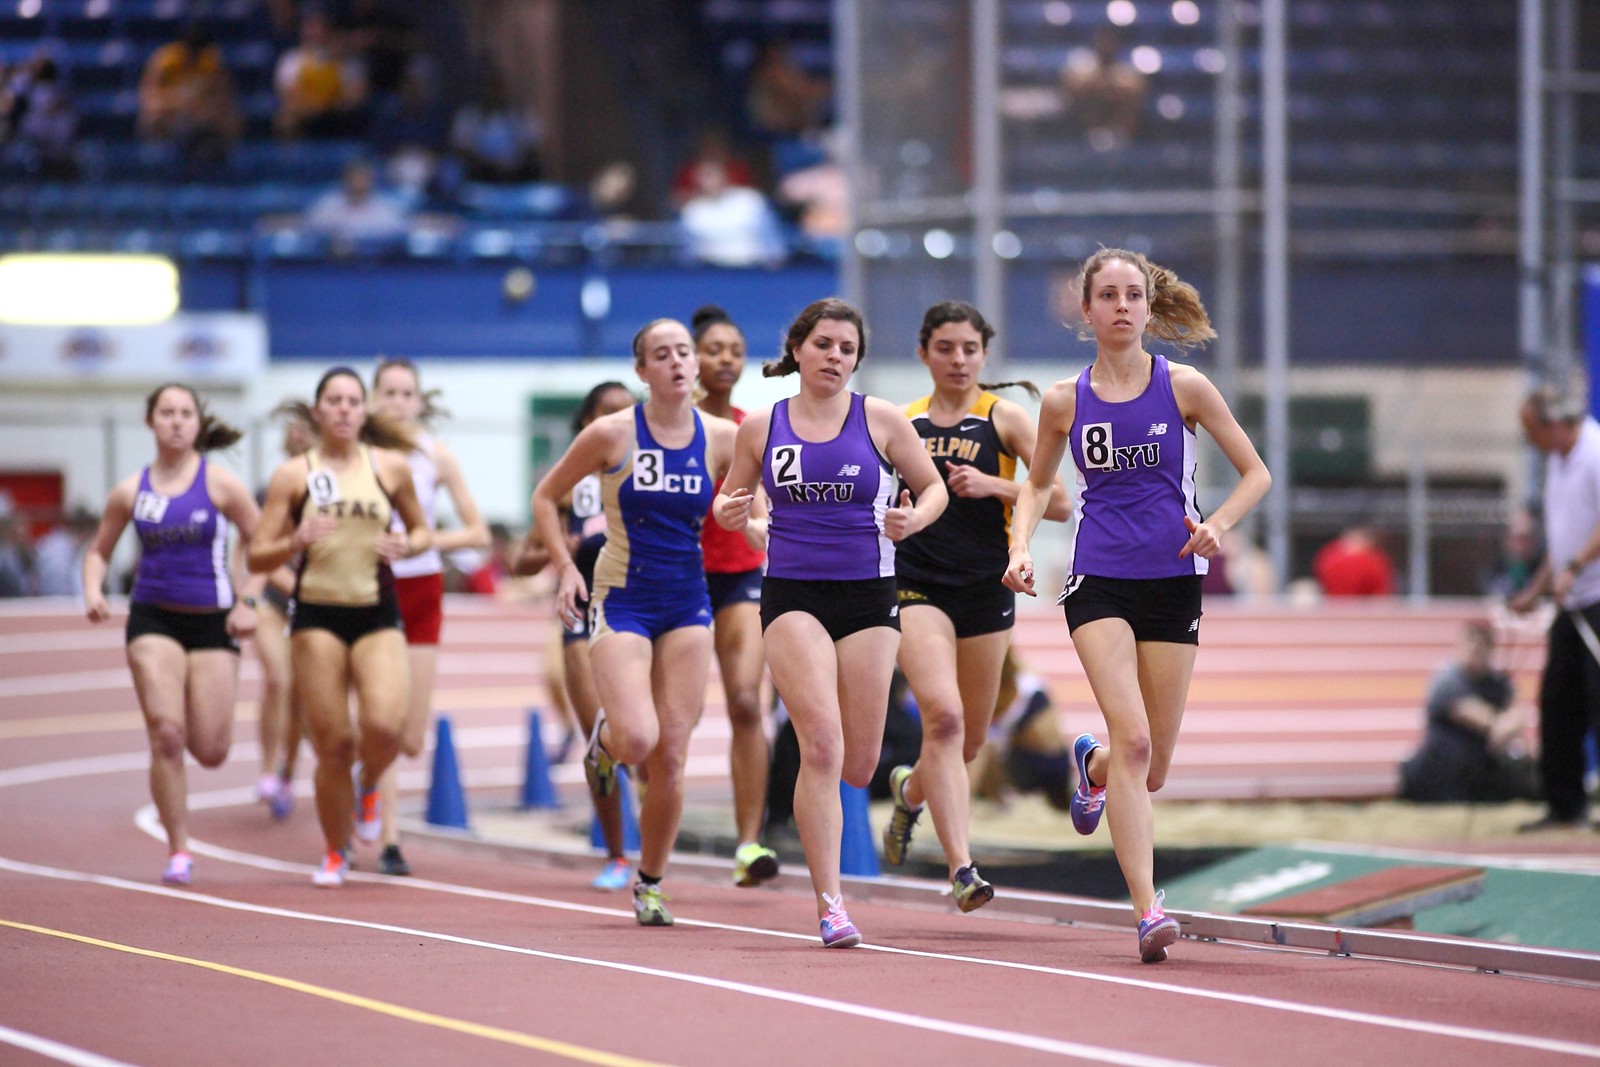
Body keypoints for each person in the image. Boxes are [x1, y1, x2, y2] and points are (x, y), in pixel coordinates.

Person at [1004, 248, 1271, 963]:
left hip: (1173, 579)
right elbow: (1035, 484)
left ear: (1149, 309)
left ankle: (1089, 768)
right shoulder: (1064, 399)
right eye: (1108, 296)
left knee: (1149, 768)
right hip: (1099, 579)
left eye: (1133, 295)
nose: (1122, 306)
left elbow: (1256, 473)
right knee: (1137, 740)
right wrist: (1020, 545)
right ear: (1087, 310)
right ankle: (1149, 909)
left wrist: (1218, 525)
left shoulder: (1184, 387)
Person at [714, 297, 947, 948]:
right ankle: (830, 902)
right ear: (797, 349)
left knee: (860, 760)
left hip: (870, 597)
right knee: (821, 742)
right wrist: (734, 513)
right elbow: (731, 494)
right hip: (792, 594)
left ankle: (895, 795)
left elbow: (934, 490)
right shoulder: (762, 427)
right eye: (823, 344)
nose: (834, 357)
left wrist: (913, 519)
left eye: (846, 348)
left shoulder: (882, 420)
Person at [532, 322, 738, 925]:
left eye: (683, 352)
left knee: (670, 756)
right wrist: (565, 567)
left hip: (688, 602)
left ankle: (649, 880)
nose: (676, 362)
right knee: (638, 740)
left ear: (695, 366)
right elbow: (546, 497)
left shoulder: (723, 437)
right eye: (661, 355)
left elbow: (753, 505)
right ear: (642, 370)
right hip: (623, 598)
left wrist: (740, 516)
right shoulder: (612, 434)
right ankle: (603, 744)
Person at [880, 301, 1070, 912]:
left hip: (987, 589)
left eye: (969, 349)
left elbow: (1059, 501)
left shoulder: (1004, 417)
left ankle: (911, 792)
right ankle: (963, 868)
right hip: (916, 587)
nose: (958, 359)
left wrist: (995, 485)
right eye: (945, 348)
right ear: (923, 353)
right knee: (943, 718)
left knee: (966, 743)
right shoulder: (900, 421)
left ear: (984, 355)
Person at [249, 367, 430, 887]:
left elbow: (419, 529)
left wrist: (408, 544)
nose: (346, 409)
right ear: (319, 411)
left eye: (354, 401)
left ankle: (369, 783)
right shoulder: (293, 474)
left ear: (364, 411)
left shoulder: (389, 467)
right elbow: (259, 555)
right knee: (332, 743)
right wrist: (295, 540)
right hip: (316, 614)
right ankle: (335, 849)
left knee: (384, 726)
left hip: (376, 610)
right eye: (335, 400)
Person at [81, 384, 266, 885]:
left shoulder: (222, 485)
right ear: (151, 422)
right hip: (153, 618)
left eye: (186, 414)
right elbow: (99, 549)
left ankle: (181, 829)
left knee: (210, 749)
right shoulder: (130, 491)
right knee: (166, 732)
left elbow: (263, 541)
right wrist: (94, 589)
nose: (177, 422)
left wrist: (249, 600)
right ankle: (179, 849)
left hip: (213, 621)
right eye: (168, 413)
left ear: (198, 424)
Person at [369, 358, 490, 876]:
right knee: (388, 719)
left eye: (406, 393)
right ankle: (390, 840)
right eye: (388, 392)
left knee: (412, 736)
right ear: (373, 398)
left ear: (419, 401)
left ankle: (365, 773)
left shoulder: (435, 458)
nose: (397, 402)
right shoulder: (358, 456)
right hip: (369, 589)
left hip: (420, 590)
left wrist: (422, 541)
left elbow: (479, 534)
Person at [518, 380, 637, 889]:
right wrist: (558, 549)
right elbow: (520, 559)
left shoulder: (645, 472)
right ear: (586, 423)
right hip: (584, 619)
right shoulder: (568, 485)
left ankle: (652, 846)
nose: (618, 422)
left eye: (627, 412)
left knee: (652, 738)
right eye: (607, 413)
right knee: (601, 742)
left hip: (642, 610)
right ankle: (615, 853)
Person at [693, 305, 781, 887]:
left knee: (748, 702)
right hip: (678, 575)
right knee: (669, 717)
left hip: (742, 576)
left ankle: (749, 843)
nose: (726, 358)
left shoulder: (757, 426)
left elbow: (766, 502)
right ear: (691, 358)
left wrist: (756, 524)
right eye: (713, 349)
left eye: (735, 348)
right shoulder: (673, 426)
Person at [1509, 386, 1600, 831]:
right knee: (1558, 701)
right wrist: (1537, 588)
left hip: (1597, 597)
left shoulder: (1595, 453)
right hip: (1571, 600)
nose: (1530, 441)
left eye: (1532, 431)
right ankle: (1565, 806)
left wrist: (1578, 565)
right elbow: (1562, 538)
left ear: (1555, 424)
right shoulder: (1555, 462)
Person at [253, 403, 317, 821]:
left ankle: (287, 773)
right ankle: (266, 770)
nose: (296, 436)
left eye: (303, 430)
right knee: (278, 677)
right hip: (273, 600)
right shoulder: (271, 489)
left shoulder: (335, 487)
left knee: (299, 694)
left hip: (313, 603)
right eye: (290, 430)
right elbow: (257, 553)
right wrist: (289, 582)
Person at [1398, 620, 1539, 803]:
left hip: (1482, 765)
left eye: (1480, 646)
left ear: (1490, 650)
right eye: (1470, 644)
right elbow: (1480, 718)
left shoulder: (1497, 682)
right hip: (1443, 769)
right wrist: (1504, 725)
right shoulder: (1447, 681)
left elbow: (1519, 714)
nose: (1474, 651)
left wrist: (1508, 725)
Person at [137, 21, 241, 165]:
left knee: (230, 120)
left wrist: (202, 109)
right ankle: (154, 165)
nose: (193, 57)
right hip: (171, 113)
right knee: (152, 118)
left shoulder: (211, 62)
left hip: (201, 115)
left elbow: (224, 98)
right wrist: (181, 104)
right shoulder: (164, 62)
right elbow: (149, 98)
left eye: (197, 53)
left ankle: (222, 164)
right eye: (190, 51)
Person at [274, 9, 368, 139]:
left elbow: (355, 97)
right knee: (286, 119)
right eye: (311, 26)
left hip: (338, 117)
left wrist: (326, 105)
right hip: (305, 116)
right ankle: (288, 157)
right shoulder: (291, 59)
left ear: (329, 30)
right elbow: (289, 96)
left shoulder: (349, 61)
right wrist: (317, 105)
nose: (316, 32)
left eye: (320, 26)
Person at [1060, 28, 1147, 152]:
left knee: (1129, 100)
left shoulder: (1127, 71)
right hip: (1085, 126)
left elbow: (1138, 88)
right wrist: (1103, 88)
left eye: (1110, 42)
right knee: (1087, 98)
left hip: (1119, 128)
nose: (1106, 46)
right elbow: (1070, 87)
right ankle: (1090, 134)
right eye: (1103, 41)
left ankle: (1118, 134)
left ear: (1117, 45)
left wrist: (1106, 89)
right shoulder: (1081, 66)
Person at [1312, 522, 1396, 597]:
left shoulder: (1328, 555)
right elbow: (1381, 593)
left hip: (1333, 608)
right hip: (1364, 609)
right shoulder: (1373, 560)